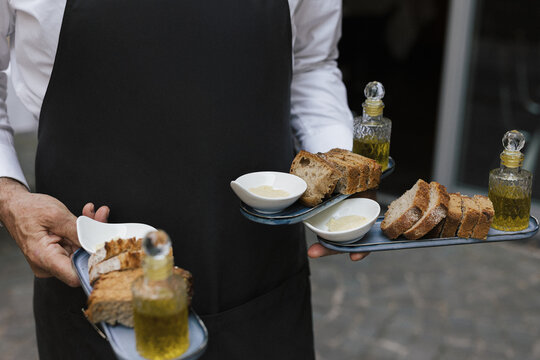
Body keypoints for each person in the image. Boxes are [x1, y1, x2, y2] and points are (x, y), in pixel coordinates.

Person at [0, 0, 368, 358]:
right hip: (100, 301)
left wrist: (340, 178)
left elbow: (311, 66)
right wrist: (9, 197)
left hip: (261, 291)